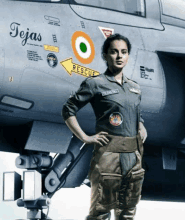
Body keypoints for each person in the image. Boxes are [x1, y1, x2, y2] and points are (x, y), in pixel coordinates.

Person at [62, 33, 147, 220]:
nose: (119, 56)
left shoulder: (135, 87)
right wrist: (85, 137)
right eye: (114, 52)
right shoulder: (95, 83)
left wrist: (141, 125)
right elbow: (68, 109)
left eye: (123, 52)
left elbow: (136, 112)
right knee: (100, 211)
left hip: (133, 156)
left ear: (128, 56)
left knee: (128, 212)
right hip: (109, 154)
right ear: (105, 55)